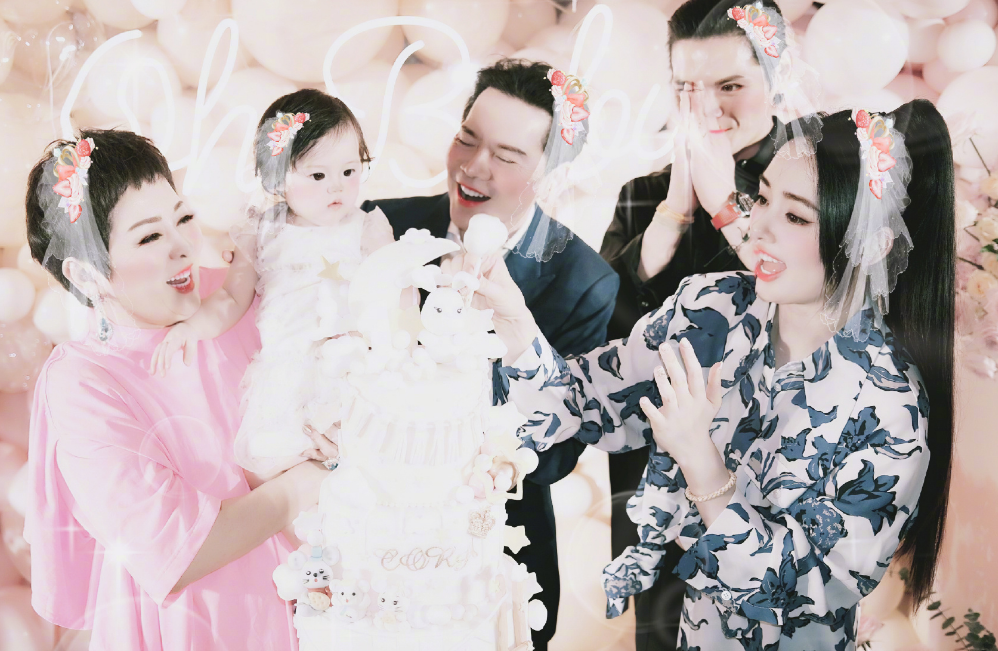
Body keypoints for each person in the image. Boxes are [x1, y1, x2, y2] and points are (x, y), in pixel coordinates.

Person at [473, 99, 954, 648]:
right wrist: (516, 324)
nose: (758, 227)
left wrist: (700, 461)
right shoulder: (711, 308)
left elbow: (810, 593)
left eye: (796, 217)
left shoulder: (891, 406)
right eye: (763, 198)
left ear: (869, 245)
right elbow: (578, 402)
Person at [24, 129, 338, 650]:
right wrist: (303, 484)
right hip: (206, 625)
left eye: (183, 218)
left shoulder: (241, 296)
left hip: (325, 600)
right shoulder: (83, 382)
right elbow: (177, 550)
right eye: (149, 238)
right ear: (87, 273)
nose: (184, 248)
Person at [361, 58, 619, 648]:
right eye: (467, 138)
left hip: (496, 561)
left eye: (506, 156)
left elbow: (554, 459)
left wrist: (510, 334)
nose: (474, 166)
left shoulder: (583, 280)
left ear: (550, 173)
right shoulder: (383, 224)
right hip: (373, 551)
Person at [597, 1, 817, 645]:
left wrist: (726, 205)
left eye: (729, 85)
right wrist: (671, 217)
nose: (706, 109)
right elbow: (606, 340)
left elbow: (822, 306)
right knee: (661, 634)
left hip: (776, 469)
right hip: (653, 475)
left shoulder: (823, 179)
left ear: (774, 73)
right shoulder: (645, 194)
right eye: (686, 89)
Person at [150, 89, 394, 479]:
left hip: (351, 367)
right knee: (282, 462)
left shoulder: (367, 229)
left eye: (349, 172)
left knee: (360, 462)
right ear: (277, 178)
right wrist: (191, 328)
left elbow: (393, 301)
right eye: (318, 175)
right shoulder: (262, 231)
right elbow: (231, 296)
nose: (337, 186)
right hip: (287, 372)